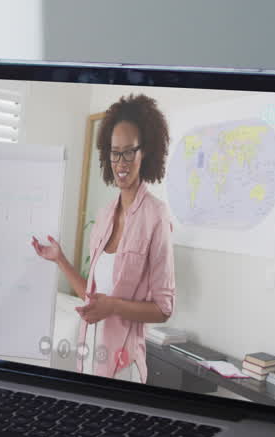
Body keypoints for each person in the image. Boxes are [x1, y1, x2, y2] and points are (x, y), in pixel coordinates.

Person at [31, 93, 175, 382]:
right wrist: (60, 260)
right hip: (89, 359)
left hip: (124, 368)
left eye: (129, 152)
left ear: (144, 152)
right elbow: (92, 295)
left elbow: (163, 308)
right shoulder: (105, 215)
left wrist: (113, 306)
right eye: (114, 152)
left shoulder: (156, 216)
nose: (121, 162)